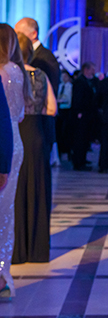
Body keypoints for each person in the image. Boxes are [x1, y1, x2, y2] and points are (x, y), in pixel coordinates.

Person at [13, 32, 57, 264]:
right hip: (37, 135)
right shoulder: (40, 74)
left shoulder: (8, 74)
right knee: (38, 190)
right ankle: (38, 251)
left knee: (16, 193)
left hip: (16, 134)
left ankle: (17, 251)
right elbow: (52, 108)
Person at [0, 24, 30, 297]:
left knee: (3, 211)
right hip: (14, 136)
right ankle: (2, 273)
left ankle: (1, 275)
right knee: (4, 211)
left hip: (5, 140)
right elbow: (20, 113)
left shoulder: (6, 71)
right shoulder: (18, 70)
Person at [71, 62, 98, 171]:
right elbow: (78, 98)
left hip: (87, 114)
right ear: (86, 70)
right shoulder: (80, 82)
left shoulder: (89, 81)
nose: (94, 71)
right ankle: (79, 162)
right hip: (81, 115)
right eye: (92, 68)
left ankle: (82, 159)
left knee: (85, 139)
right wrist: (79, 112)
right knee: (80, 139)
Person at [56, 70, 73, 160]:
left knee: (66, 131)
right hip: (60, 110)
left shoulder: (70, 87)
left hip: (67, 110)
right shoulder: (60, 86)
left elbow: (69, 98)